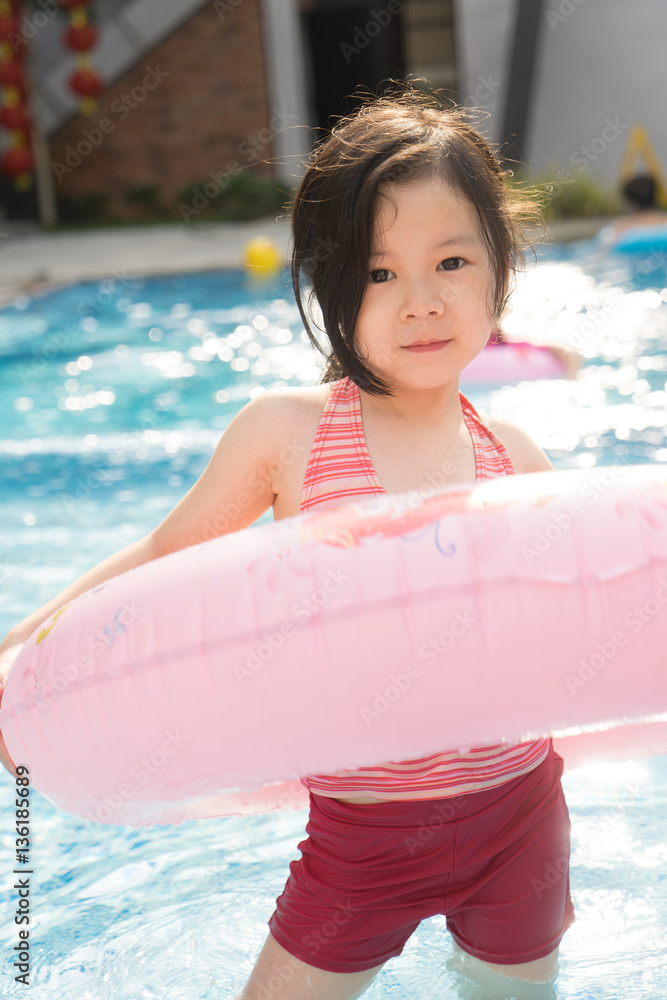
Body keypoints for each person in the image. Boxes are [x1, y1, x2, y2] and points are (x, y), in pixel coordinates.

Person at [0, 86, 574, 999]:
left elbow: (583, 621)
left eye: (451, 261)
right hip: (365, 827)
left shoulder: (518, 459)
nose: (420, 302)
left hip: (521, 816)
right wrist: (24, 651)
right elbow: (163, 558)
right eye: (379, 274)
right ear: (329, 284)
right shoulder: (289, 433)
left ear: (499, 271)